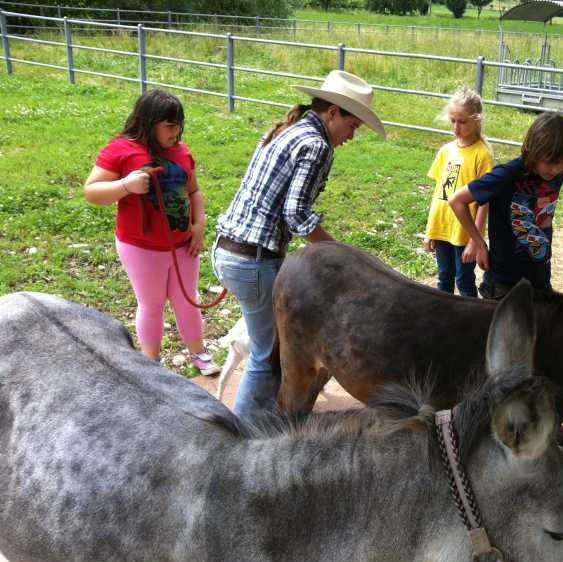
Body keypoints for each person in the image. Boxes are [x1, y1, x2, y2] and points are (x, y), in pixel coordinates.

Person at [212, 70, 385, 421]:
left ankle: (264, 422)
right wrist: (343, 255)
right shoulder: (317, 145)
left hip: (229, 251)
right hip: (253, 260)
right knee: (266, 355)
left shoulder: (286, 129)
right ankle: (240, 434)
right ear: (332, 113)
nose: (351, 136)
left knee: (272, 346)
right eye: (352, 126)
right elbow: (296, 214)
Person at [84, 89, 220, 376]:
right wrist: (126, 186)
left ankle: (198, 351)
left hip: (183, 244)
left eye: (179, 124)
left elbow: (194, 191)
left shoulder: (181, 152)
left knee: (188, 298)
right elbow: (92, 191)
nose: (176, 131)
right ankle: (151, 363)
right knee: (152, 304)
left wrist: (198, 226)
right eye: (170, 125)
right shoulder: (120, 150)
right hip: (141, 247)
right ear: (149, 122)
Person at [448, 111, 563, 299]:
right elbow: (457, 200)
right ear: (533, 150)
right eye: (549, 162)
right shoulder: (507, 174)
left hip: (540, 276)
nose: (555, 169)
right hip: (504, 283)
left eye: (562, 163)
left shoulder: (557, 175)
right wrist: (479, 243)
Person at [423, 86, 494, 297]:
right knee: (444, 278)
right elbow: (439, 192)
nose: (456, 127)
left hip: (465, 232)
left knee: (464, 280)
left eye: (462, 122)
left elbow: (484, 203)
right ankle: (443, 317)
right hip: (442, 227)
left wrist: (475, 240)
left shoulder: (482, 154)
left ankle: (471, 318)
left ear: (477, 121)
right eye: (453, 121)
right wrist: (430, 230)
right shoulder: (446, 151)